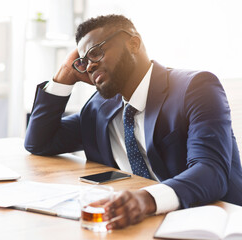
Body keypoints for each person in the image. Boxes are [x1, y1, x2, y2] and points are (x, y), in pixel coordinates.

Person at [24, 14, 242, 230]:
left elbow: (211, 171)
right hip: (141, 224)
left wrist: (145, 199)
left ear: (133, 43)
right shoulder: (98, 108)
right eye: (83, 62)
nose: (89, 67)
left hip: (213, 218)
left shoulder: (196, 88)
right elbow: (40, 142)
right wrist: (63, 75)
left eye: (96, 53)